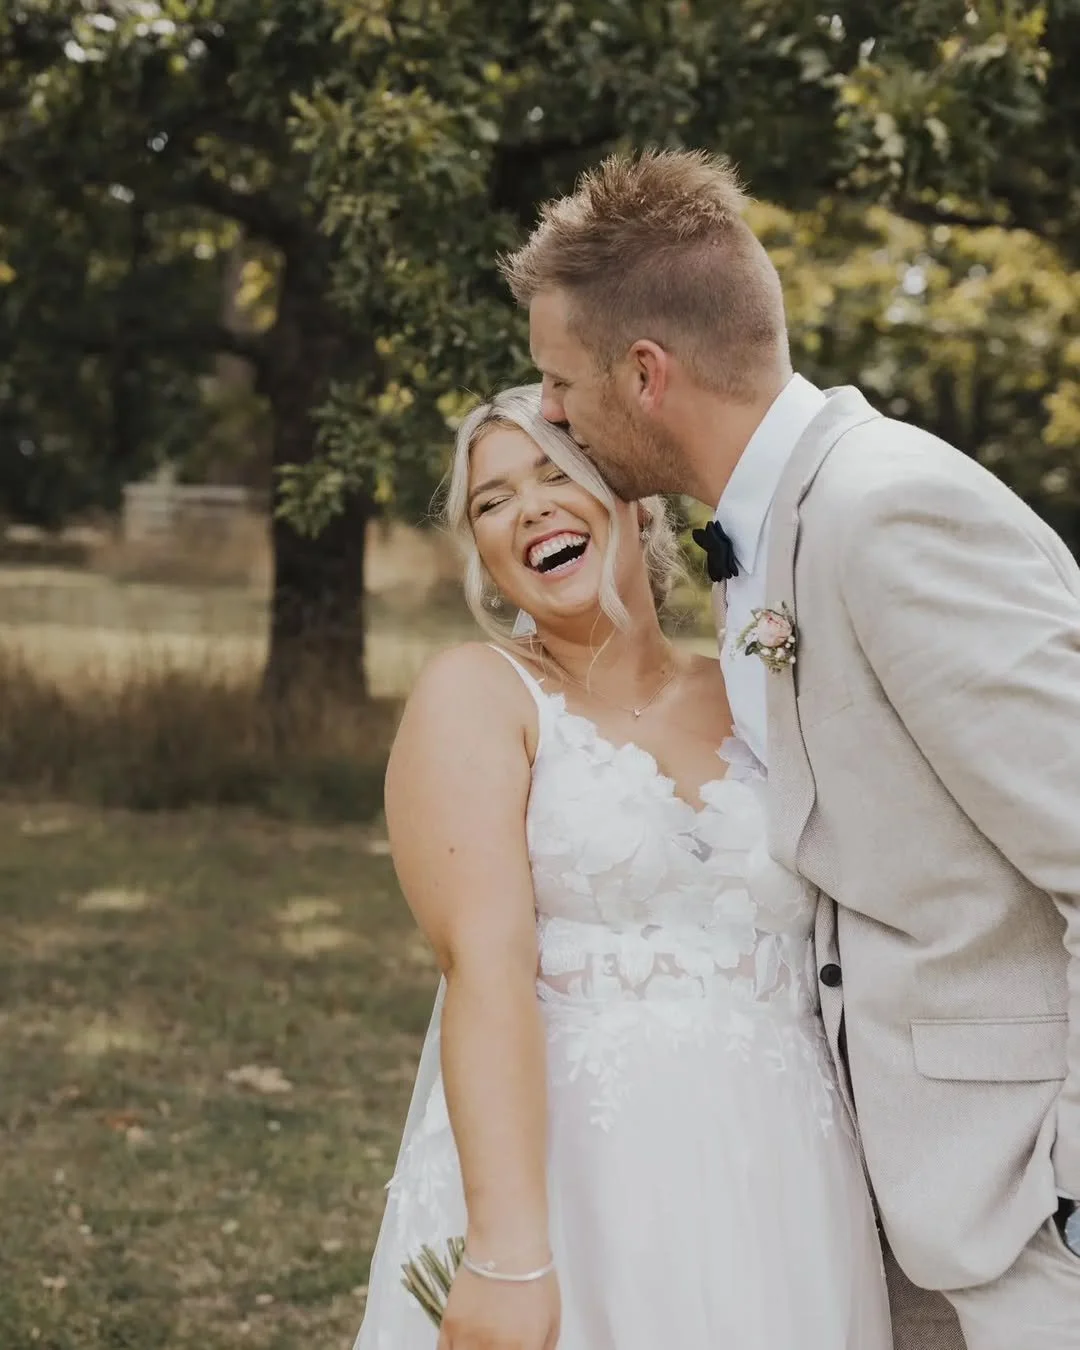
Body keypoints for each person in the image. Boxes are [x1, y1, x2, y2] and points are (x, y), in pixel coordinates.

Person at [500, 147, 1080, 1350]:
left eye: (559, 380)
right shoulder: (764, 539)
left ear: (645, 373)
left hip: (1025, 1212)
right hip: (894, 1198)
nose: (548, 412)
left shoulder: (889, 514)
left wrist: (1067, 1197)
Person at [353, 384, 892, 1350]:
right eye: (492, 501)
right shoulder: (480, 694)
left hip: (787, 1177)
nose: (530, 509)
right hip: (576, 1182)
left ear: (633, 499)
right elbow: (483, 970)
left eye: (558, 475)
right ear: (481, 551)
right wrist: (510, 1253)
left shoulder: (757, 686)